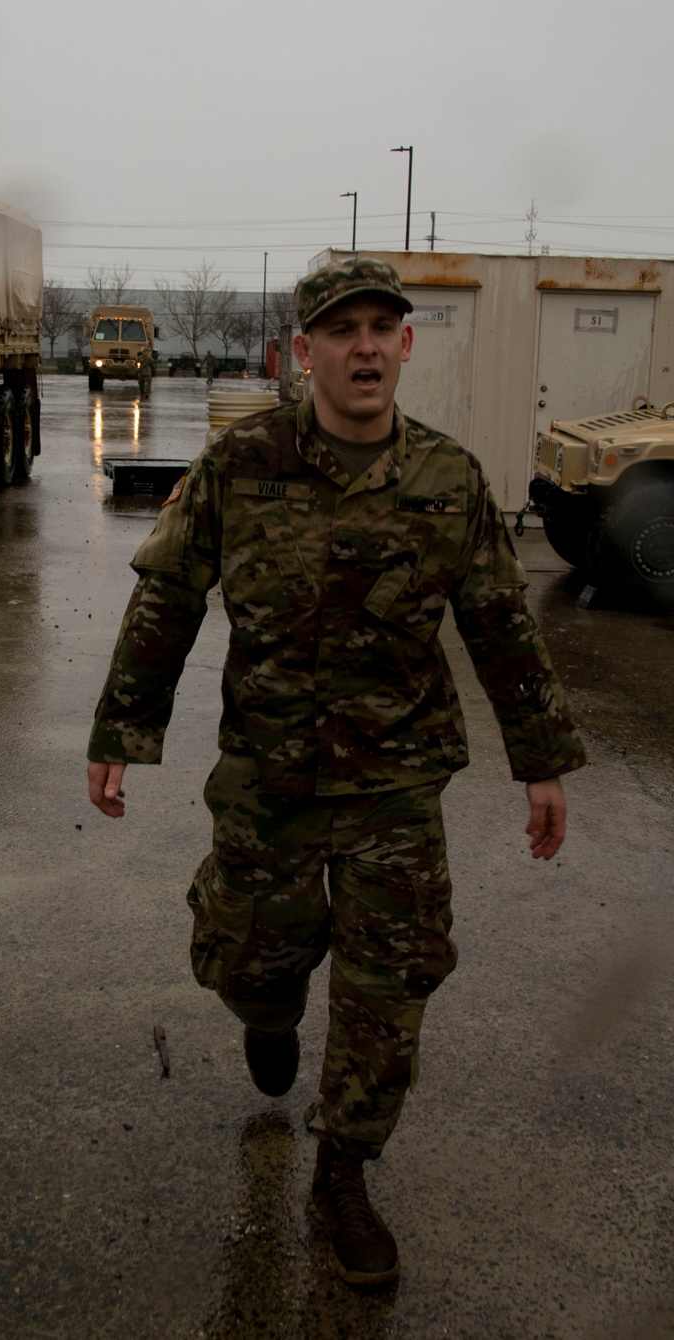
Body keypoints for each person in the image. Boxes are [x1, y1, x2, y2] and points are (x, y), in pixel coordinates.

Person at [86, 257, 585, 1289]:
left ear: (404, 345)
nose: (362, 344)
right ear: (301, 350)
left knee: (390, 983)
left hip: (396, 787)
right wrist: (121, 729)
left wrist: (541, 761)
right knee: (251, 963)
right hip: (268, 777)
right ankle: (265, 1017)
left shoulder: (448, 480)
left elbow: (499, 625)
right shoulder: (242, 463)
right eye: (339, 328)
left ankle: (342, 1171)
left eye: (380, 327)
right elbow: (167, 595)